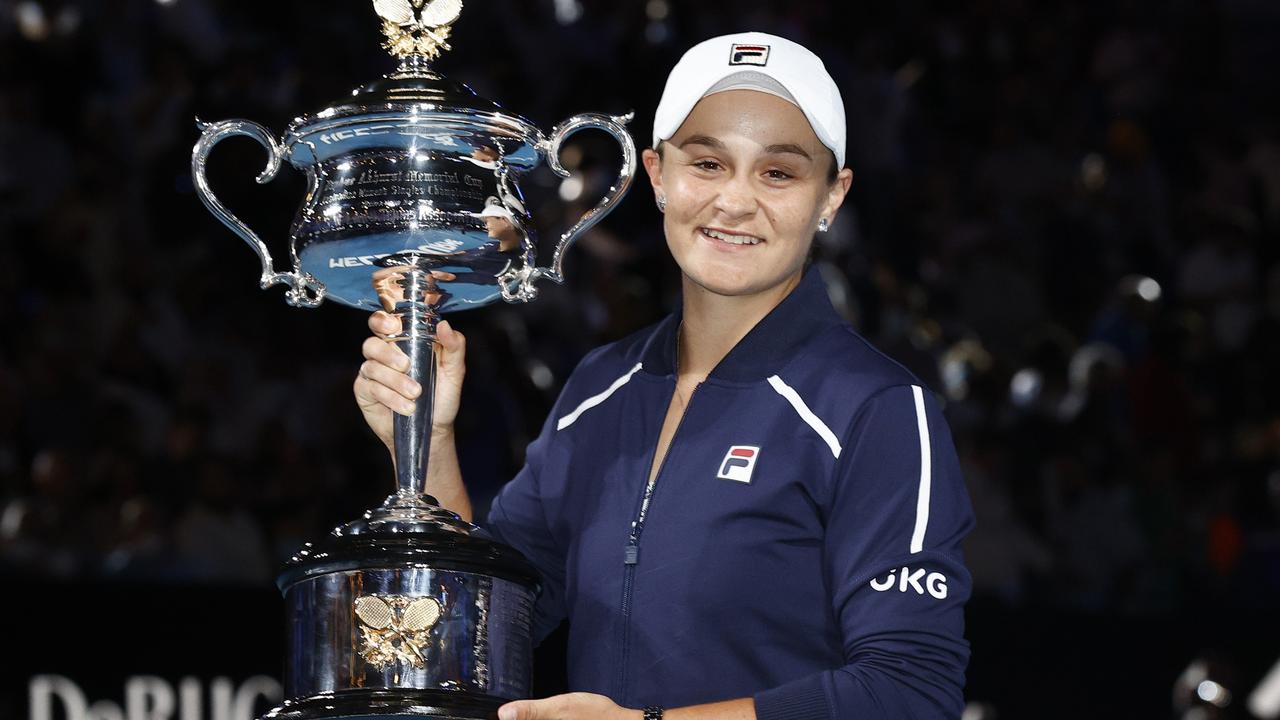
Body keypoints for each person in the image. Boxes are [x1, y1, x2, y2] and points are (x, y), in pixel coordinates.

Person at [354, 31, 974, 720]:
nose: (735, 202)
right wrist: (428, 438)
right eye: (707, 163)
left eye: (778, 173)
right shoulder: (600, 388)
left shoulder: (877, 409)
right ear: (657, 175)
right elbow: (482, 630)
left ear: (831, 196)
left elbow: (910, 692)